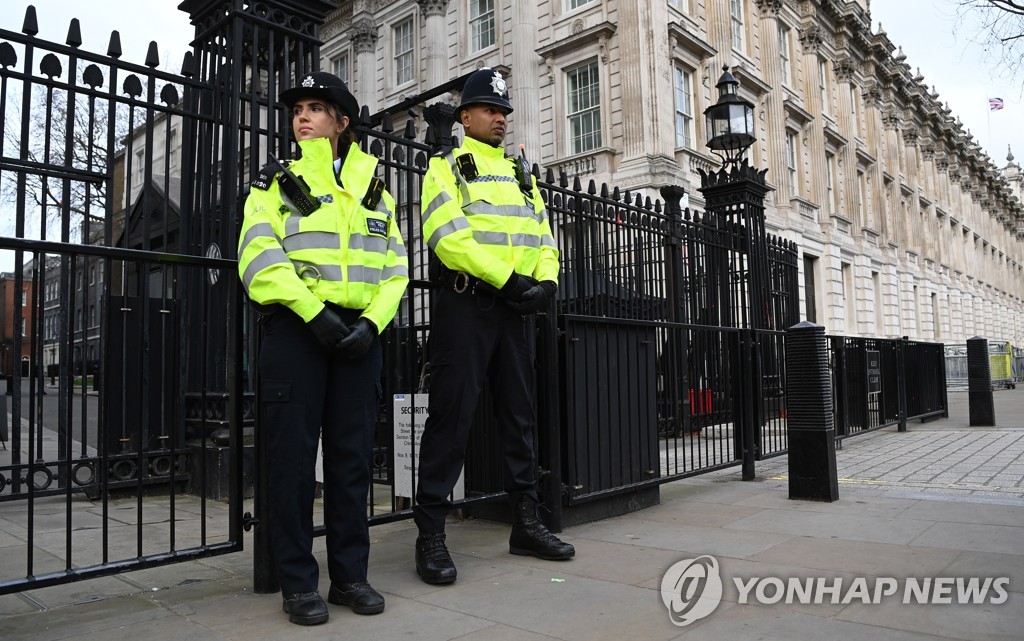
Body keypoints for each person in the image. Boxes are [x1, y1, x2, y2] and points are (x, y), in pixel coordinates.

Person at [237, 71, 409, 625]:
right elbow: (258, 257)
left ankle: (350, 578)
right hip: (296, 332)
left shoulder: (375, 189)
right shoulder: (273, 183)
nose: (302, 117)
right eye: (297, 109)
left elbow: (396, 269)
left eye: (315, 108)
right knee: (290, 464)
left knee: (351, 462)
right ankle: (297, 583)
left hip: (360, 337)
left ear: (342, 121)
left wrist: (372, 324)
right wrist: (315, 315)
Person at [413, 67, 574, 585]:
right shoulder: (446, 167)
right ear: (464, 117)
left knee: (520, 417)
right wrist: (508, 281)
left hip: (518, 310)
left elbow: (545, 236)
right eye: (490, 110)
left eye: (504, 111)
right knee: (451, 418)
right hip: (468, 307)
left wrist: (546, 284)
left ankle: (526, 522)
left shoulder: (522, 174)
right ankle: (431, 535)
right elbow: (447, 236)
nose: (500, 119)